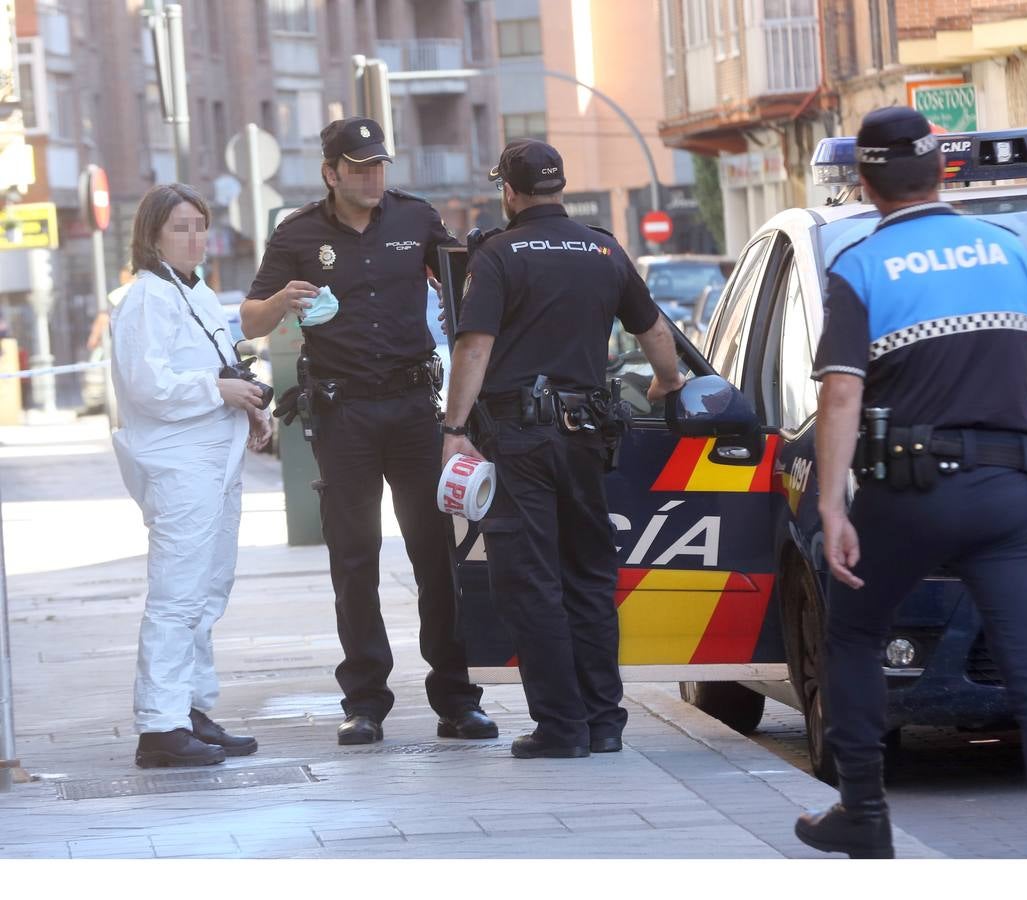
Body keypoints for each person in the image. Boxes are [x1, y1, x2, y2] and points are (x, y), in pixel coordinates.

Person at [794, 106, 1027, 858]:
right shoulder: (1006, 249)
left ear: (865, 183)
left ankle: (864, 812)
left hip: (909, 494)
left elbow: (839, 393)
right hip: (1008, 491)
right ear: (942, 170)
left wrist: (831, 507)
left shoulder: (858, 266)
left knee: (854, 634)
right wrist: (1005, 437)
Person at [240, 117, 495, 746]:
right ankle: (364, 702)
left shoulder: (416, 219)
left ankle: (457, 701)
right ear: (330, 173)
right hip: (344, 413)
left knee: (435, 554)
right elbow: (250, 316)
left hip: (412, 407)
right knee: (355, 561)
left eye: (379, 165)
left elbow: (461, 283)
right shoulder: (297, 233)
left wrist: (465, 283)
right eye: (357, 168)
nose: (371, 177)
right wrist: (282, 301)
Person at [440, 139, 685, 759]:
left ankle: (560, 728)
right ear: (560, 188)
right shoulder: (603, 248)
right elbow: (653, 329)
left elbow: (474, 347)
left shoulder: (497, 254)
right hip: (585, 436)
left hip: (520, 437)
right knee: (589, 579)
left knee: (531, 583)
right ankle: (604, 722)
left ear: (510, 192)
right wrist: (668, 384)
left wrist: (454, 427)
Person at [110, 184, 270, 768]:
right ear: (151, 235)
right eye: (180, 227)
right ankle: (159, 724)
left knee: (207, 592)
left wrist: (248, 404)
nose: (194, 237)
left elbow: (219, 363)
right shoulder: (145, 298)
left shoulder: (195, 292)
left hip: (215, 459)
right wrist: (217, 390)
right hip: (179, 464)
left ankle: (190, 709)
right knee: (178, 595)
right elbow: (145, 385)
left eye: (200, 225)